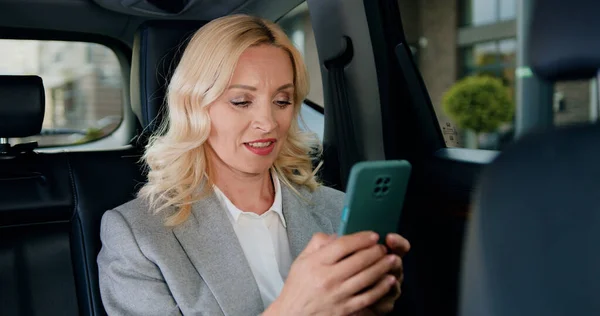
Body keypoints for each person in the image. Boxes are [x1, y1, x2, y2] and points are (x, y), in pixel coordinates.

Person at [97, 14, 410, 316]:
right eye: (241, 102)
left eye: (282, 101)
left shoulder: (338, 211)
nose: (268, 122)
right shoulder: (137, 236)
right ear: (195, 106)